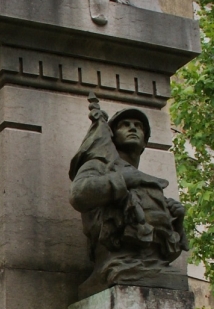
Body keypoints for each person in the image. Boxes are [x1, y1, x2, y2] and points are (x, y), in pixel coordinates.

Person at [69, 93, 188, 294]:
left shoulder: (150, 185)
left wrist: (177, 221)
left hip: (152, 265)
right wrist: (122, 181)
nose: (133, 128)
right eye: (125, 124)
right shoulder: (98, 166)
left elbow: (167, 249)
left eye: (139, 126)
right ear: (112, 136)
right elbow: (79, 195)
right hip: (116, 265)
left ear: (145, 142)